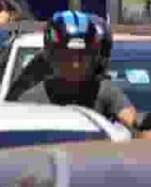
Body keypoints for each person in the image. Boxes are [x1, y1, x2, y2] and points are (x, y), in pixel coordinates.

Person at [13, 11, 142, 132]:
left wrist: (142, 131)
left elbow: (136, 125)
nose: (75, 64)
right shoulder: (30, 102)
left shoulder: (106, 92)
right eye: (67, 57)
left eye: (82, 57)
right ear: (50, 56)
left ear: (94, 58)